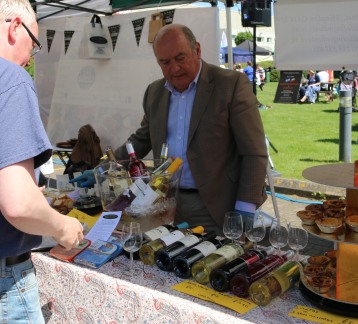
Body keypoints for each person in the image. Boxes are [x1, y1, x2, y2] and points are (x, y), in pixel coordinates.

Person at [72, 24, 268, 235]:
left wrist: (245, 207)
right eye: (165, 62)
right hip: (165, 203)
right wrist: (103, 169)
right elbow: (141, 140)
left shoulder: (230, 85)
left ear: (197, 50)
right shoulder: (154, 92)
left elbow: (253, 152)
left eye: (180, 58)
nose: (174, 68)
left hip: (216, 207)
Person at [0, 1, 84, 322]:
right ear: (14, 27)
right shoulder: (11, 79)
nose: (29, 59)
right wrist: (63, 227)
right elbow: (19, 204)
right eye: (33, 46)